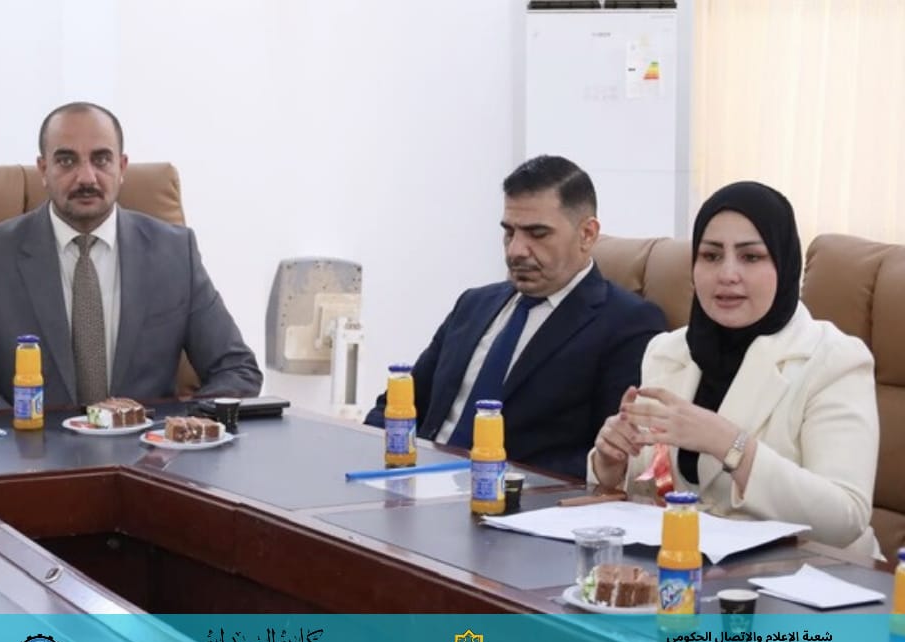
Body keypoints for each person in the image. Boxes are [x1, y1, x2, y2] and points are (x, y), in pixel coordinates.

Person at [589, 181, 879, 557]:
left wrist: (728, 443)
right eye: (711, 256)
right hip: (687, 569)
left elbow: (844, 517)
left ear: (784, 264)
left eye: (751, 257)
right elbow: (649, 488)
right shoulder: (667, 351)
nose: (727, 274)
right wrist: (611, 465)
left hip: (808, 575)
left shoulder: (834, 359)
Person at [0, 101, 262, 411]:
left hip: (145, 448)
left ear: (122, 167)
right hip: (33, 449)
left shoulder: (174, 253)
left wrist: (183, 426)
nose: (86, 177)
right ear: (43, 169)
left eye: (101, 159)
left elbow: (236, 369)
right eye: (66, 161)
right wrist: (24, 431)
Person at [366, 156, 665, 479]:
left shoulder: (628, 323)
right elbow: (398, 405)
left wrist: (498, 479)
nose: (515, 251)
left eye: (537, 233)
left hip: (515, 499)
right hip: (415, 483)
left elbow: (612, 456)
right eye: (509, 232)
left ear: (587, 234)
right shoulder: (474, 304)